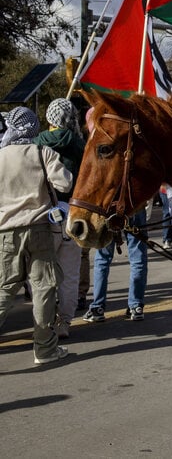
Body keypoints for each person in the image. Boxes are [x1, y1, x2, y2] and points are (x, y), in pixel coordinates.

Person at [0, 106, 72, 364]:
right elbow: (65, 183)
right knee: (44, 289)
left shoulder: (0, 156)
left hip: (6, 233)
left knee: (5, 291)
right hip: (40, 229)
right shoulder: (43, 153)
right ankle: (44, 349)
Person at [34, 98, 86, 338]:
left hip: (43, 215)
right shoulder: (80, 146)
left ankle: (43, 325)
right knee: (69, 274)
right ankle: (64, 322)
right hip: (72, 215)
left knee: (44, 276)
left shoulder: (36, 145)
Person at [82, 208, 150, 322]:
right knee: (138, 258)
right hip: (134, 207)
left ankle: (97, 308)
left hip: (109, 209)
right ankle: (136, 306)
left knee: (102, 259)